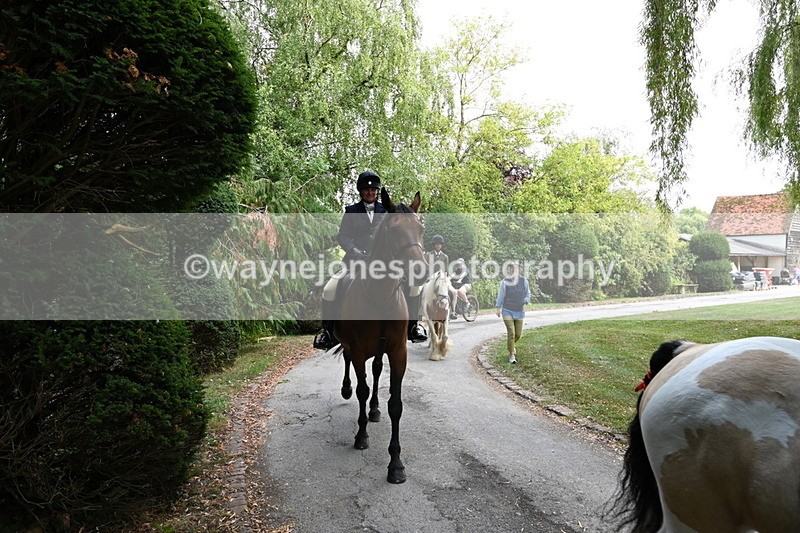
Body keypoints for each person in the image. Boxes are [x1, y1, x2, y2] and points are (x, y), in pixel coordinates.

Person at [313, 171, 427, 349]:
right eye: (367, 189)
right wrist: (355, 250)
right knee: (329, 289)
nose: (370, 193)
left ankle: (414, 326)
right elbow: (342, 236)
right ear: (360, 191)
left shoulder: (387, 211)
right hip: (354, 261)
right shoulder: (351, 211)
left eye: (374, 190)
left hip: (384, 263)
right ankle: (327, 332)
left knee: (413, 287)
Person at [495, 261, 531, 364]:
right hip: (507, 310)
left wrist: (525, 300)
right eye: (511, 268)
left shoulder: (524, 281)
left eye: (515, 268)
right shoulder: (504, 282)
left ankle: (511, 346)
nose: (513, 270)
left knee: (518, 334)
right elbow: (501, 296)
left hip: (519, 311)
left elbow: (528, 294)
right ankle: (511, 355)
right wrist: (498, 307)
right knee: (511, 332)